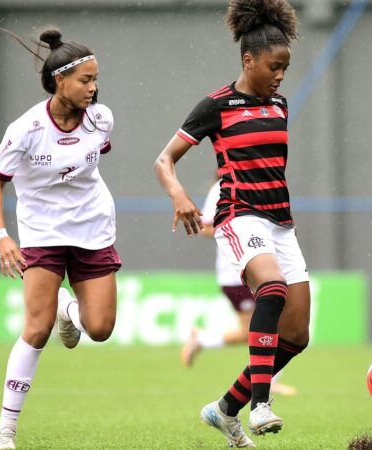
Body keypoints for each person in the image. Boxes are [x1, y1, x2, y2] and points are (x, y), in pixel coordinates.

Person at [154, 0, 308, 447]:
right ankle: (261, 404)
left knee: (297, 337)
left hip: (281, 222)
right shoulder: (216, 106)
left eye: (285, 68)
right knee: (272, 291)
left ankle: (224, 410)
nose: (280, 76)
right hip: (239, 217)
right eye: (274, 67)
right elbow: (164, 159)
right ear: (248, 60)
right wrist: (179, 194)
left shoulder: (278, 104)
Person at [0, 28, 120, 450]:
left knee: (99, 328)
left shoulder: (101, 118)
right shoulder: (26, 128)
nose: (93, 88)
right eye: (85, 80)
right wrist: (2, 236)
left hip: (93, 228)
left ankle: (68, 306)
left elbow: (88, 165)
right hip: (42, 232)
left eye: (96, 79)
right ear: (59, 80)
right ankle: (5, 433)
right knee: (37, 329)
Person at [182, 178, 297, 397]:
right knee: (259, 330)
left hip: (264, 269)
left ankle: (268, 378)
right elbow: (204, 227)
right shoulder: (221, 188)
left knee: (281, 325)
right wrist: (237, 228)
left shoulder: (264, 181)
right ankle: (203, 340)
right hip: (236, 273)